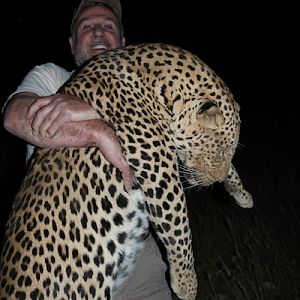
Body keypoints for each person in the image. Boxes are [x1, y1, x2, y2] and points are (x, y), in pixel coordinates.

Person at [3, 1, 173, 299]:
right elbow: (15, 116)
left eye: (108, 26)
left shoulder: (146, 94)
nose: (98, 32)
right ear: (72, 43)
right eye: (87, 26)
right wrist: (94, 131)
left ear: (122, 42)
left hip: (138, 257)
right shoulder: (54, 77)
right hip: (59, 256)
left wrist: (88, 109)